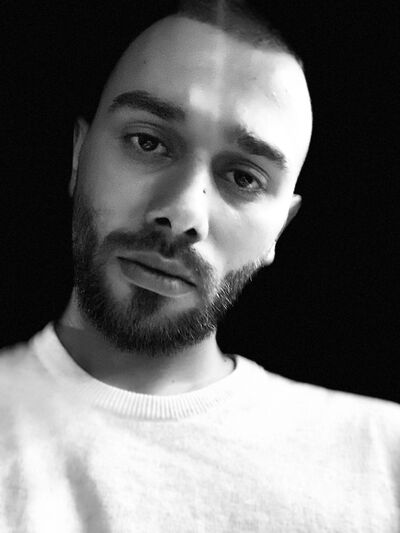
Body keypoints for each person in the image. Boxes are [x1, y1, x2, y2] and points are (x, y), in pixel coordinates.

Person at [1, 1, 399, 531]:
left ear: (281, 227)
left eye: (244, 178)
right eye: (148, 142)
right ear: (78, 156)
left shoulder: (383, 460)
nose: (184, 213)